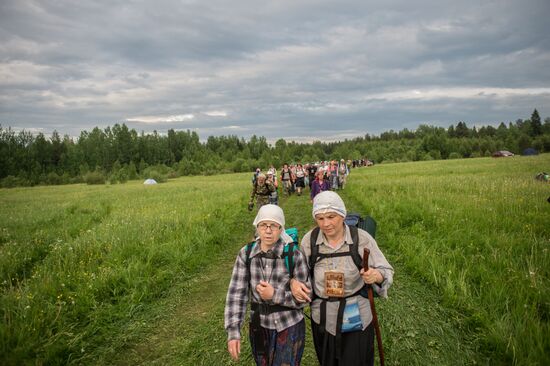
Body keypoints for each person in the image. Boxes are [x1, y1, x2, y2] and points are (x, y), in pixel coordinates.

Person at [290, 191, 394, 366]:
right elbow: (300, 274)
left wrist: (376, 275)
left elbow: (386, 270)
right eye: (320, 218)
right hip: (323, 318)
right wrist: (294, 283)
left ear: (342, 215)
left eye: (331, 217)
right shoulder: (310, 240)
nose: (326, 224)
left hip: (357, 316)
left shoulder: (361, 238)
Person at [224, 205, 310, 365]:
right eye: (264, 225)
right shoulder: (246, 254)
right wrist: (233, 331)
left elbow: (306, 298)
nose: (268, 231)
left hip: (289, 324)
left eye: (274, 226)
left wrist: (274, 295)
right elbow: (237, 293)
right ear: (257, 227)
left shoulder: (293, 255)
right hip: (259, 326)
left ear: (281, 228)